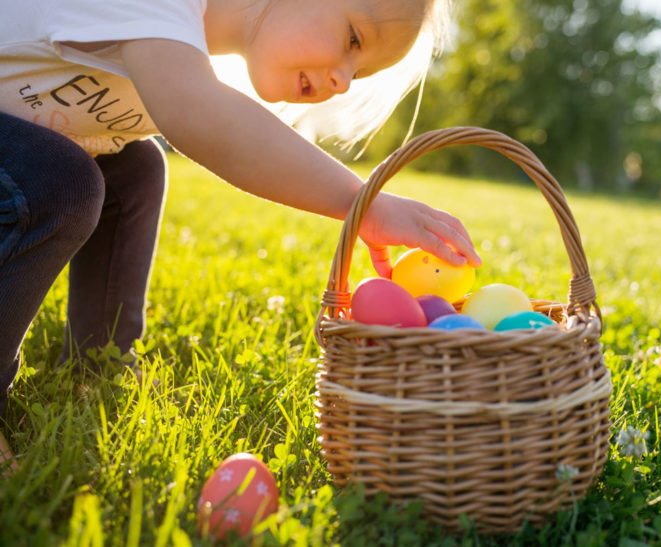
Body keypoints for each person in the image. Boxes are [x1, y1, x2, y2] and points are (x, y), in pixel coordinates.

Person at [0, 0, 482, 473]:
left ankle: (99, 360)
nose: (343, 80)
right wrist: (364, 203)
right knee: (58, 183)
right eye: (353, 39)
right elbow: (197, 113)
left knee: (137, 168)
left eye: (358, 73)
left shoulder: (180, 46)